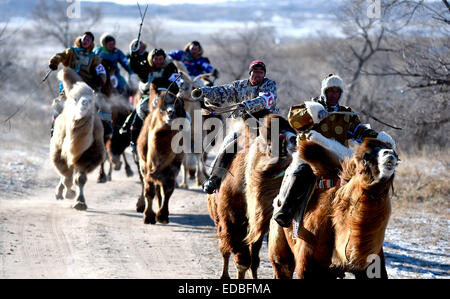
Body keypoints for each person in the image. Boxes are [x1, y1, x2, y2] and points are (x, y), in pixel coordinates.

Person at [273, 74, 396, 228]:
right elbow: (294, 120)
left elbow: (359, 132)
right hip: (312, 157)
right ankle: (286, 210)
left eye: (337, 91)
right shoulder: (311, 107)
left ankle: (365, 224)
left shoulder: (346, 114)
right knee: (301, 172)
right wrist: (314, 113)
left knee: (363, 178)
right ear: (324, 91)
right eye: (330, 91)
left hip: (339, 159)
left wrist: (379, 138)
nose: (334, 95)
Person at [191, 60, 279, 194]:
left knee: (286, 143)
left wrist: (247, 105)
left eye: (261, 72)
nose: (258, 75)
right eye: (255, 72)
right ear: (250, 73)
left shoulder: (269, 85)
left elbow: (265, 100)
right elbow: (222, 91)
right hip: (244, 124)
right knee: (227, 145)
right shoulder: (239, 85)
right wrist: (203, 92)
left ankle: (286, 178)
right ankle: (214, 178)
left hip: (266, 123)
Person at [48, 32, 111, 137]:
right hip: (69, 87)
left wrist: (100, 80)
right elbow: (60, 55)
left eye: (88, 40)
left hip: (85, 87)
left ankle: (106, 127)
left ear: (91, 43)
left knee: (101, 103)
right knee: (59, 104)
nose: (86, 41)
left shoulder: (93, 57)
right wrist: (54, 62)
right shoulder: (71, 51)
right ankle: (54, 128)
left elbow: (101, 69)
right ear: (81, 39)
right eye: (84, 38)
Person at [120, 48, 182, 155]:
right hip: (150, 94)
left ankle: (183, 132)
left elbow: (176, 83)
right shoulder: (146, 67)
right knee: (140, 109)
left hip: (167, 94)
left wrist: (168, 88)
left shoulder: (170, 67)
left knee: (180, 107)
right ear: (151, 60)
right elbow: (134, 66)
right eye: (156, 59)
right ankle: (133, 141)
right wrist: (133, 53)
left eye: (160, 59)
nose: (158, 61)